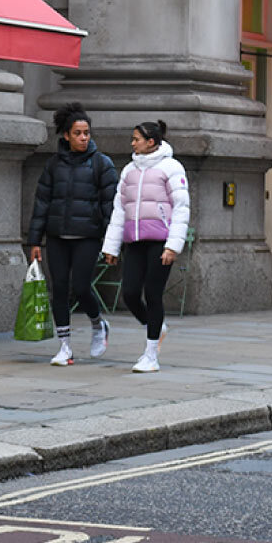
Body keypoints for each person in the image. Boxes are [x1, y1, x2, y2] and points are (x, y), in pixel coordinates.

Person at [27, 104, 118, 366]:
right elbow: (42, 202)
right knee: (60, 289)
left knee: (80, 286)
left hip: (88, 236)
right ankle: (65, 346)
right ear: (66, 135)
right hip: (57, 236)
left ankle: (98, 324)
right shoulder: (53, 165)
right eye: (78, 133)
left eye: (86, 133)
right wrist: (35, 240)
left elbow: (110, 206)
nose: (83, 138)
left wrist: (112, 244)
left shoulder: (102, 164)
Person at [99, 120, 190, 373]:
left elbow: (181, 208)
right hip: (134, 241)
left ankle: (151, 354)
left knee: (152, 294)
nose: (132, 143)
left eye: (136, 139)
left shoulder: (171, 167)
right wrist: (111, 247)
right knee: (129, 293)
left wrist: (173, 246)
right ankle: (156, 327)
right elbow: (120, 210)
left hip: (160, 242)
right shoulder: (129, 170)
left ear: (151, 141)